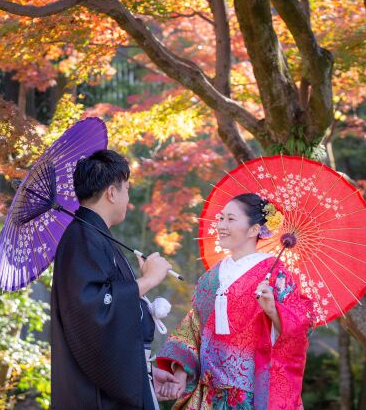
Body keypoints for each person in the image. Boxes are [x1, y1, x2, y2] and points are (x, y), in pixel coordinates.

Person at [155, 193, 314, 409]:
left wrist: (273, 312)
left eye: (230, 219)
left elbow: (303, 326)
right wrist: (181, 372)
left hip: (251, 395)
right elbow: (192, 330)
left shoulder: (276, 275)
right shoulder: (211, 277)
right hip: (209, 396)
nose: (221, 225)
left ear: (254, 230)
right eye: (221, 218)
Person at [50, 149, 174, 409]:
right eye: (126, 189)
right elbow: (94, 308)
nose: (128, 198)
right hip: (96, 395)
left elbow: (113, 301)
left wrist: (143, 372)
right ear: (112, 192)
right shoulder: (82, 238)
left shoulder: (93, 236)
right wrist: (149, 280)